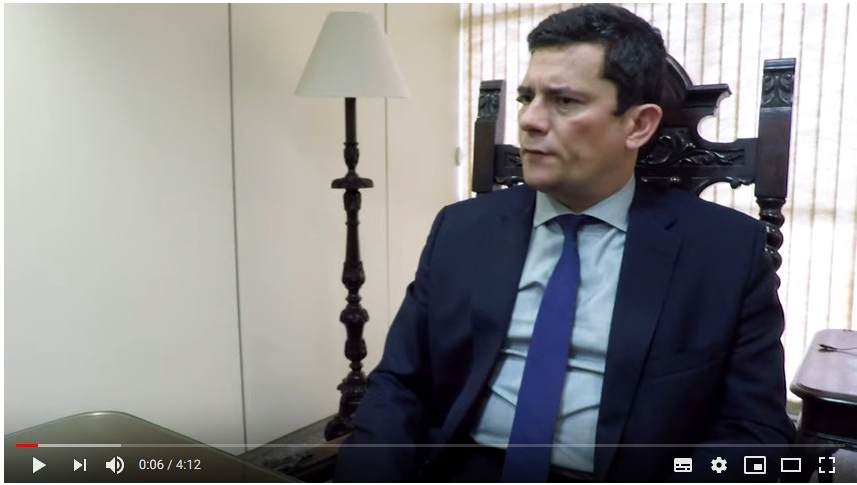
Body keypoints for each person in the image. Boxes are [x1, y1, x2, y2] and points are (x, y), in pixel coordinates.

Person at [335, 4, 795, 482]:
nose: (530, 120)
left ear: (638, 125)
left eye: (565, 101)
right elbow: (400, 385)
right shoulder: (461, 230)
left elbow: (754, 432)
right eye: (526, 97)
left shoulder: (724, 252)